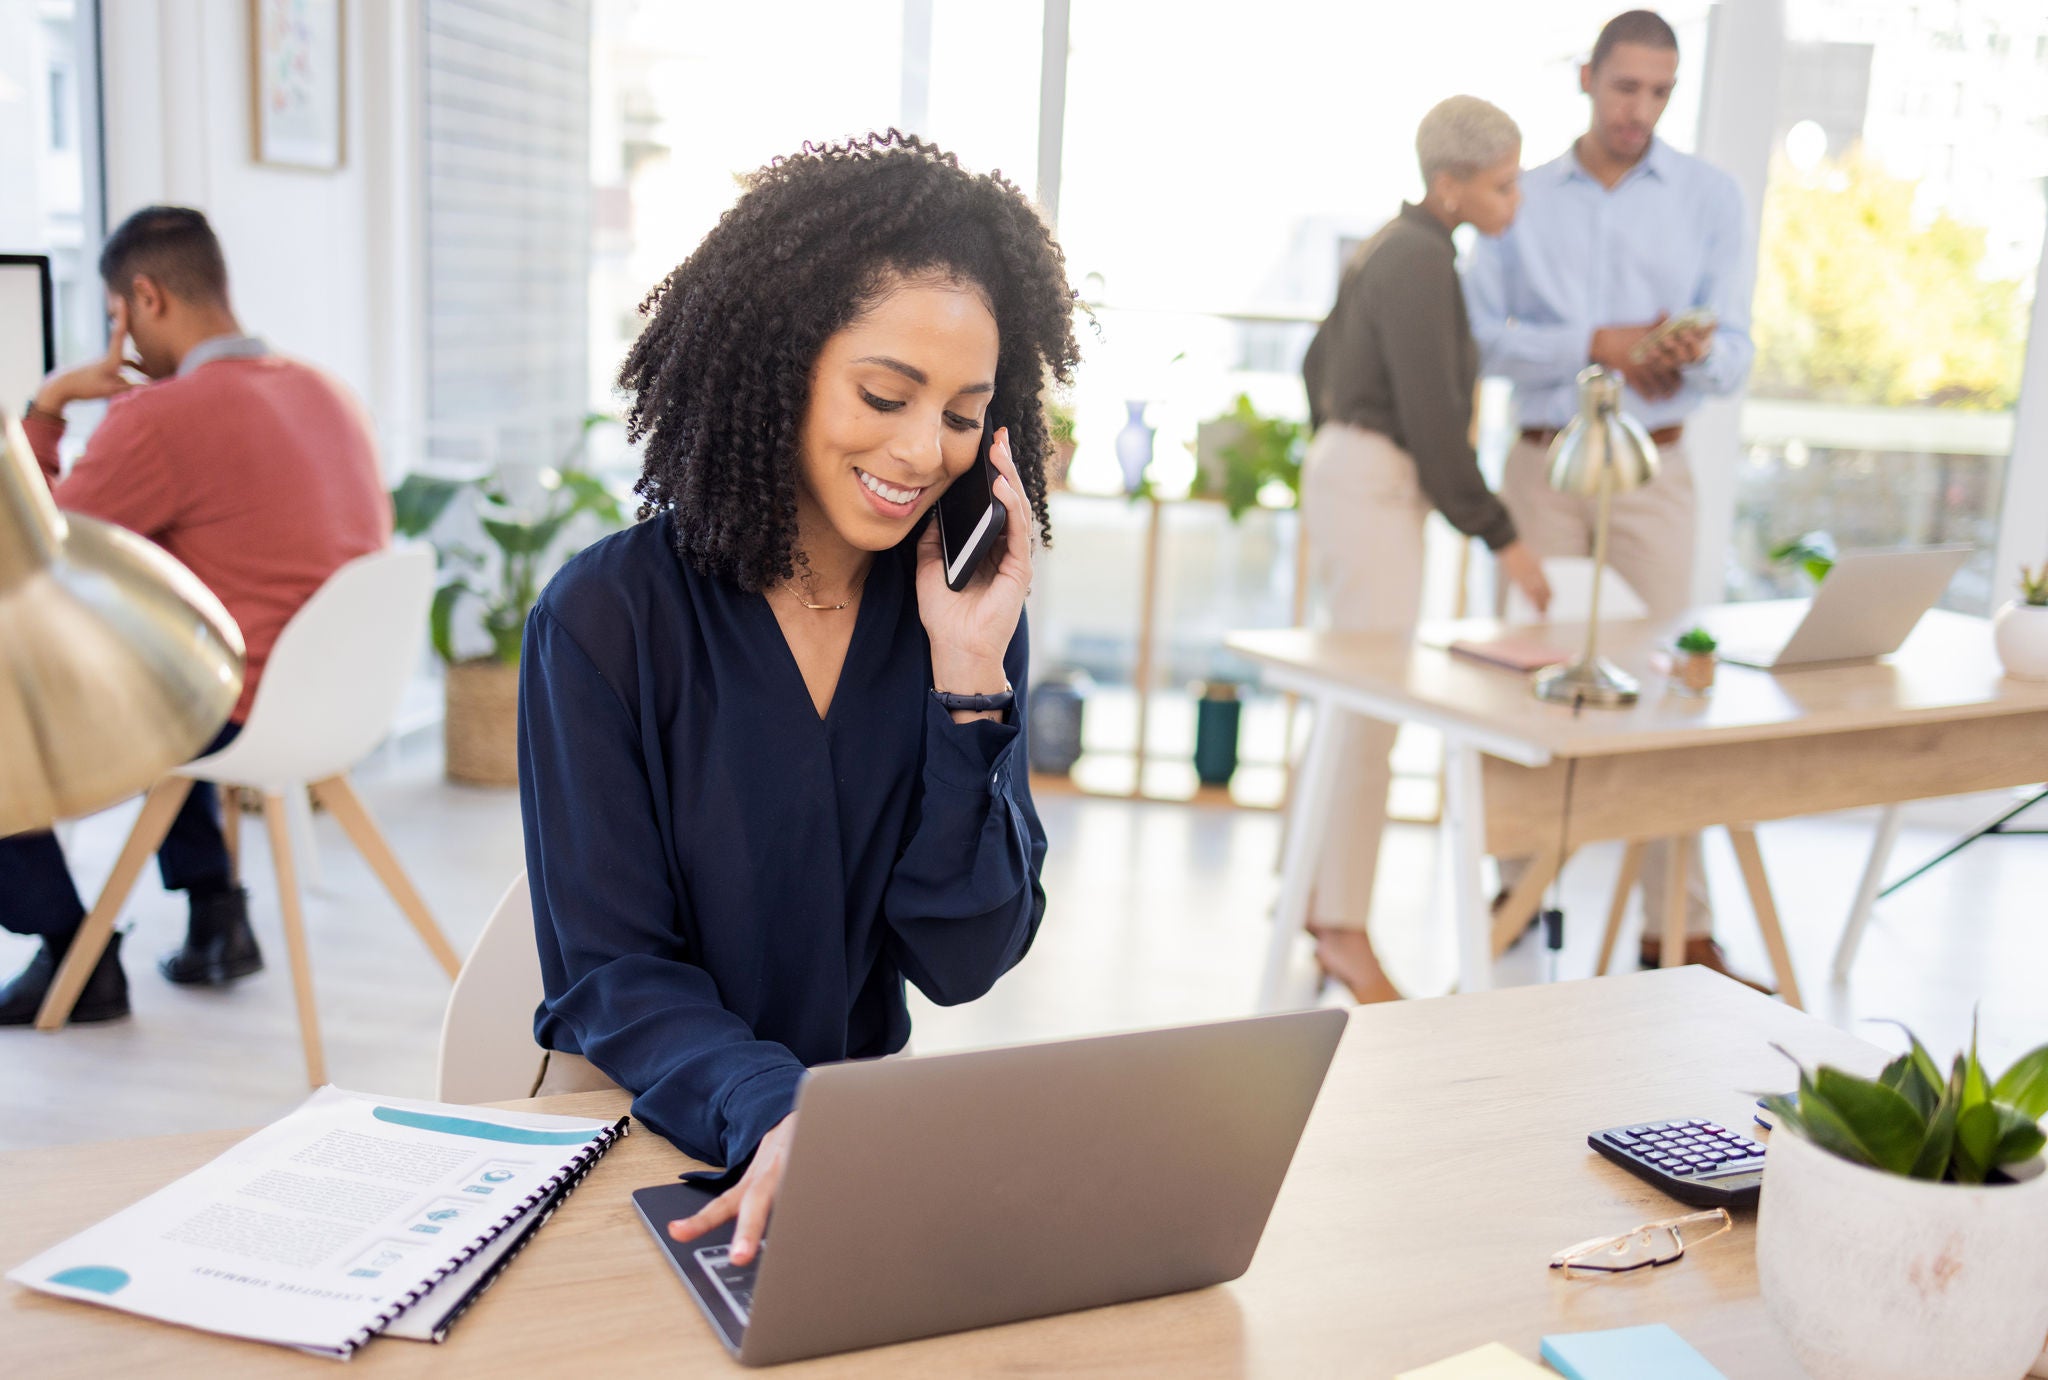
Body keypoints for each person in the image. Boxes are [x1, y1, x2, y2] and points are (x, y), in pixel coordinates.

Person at [519, 132, 1079, 1269]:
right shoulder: (605, 623)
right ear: (776, 363)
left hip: (853, 1169)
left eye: (965, 414)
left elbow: (964, 962)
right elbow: (613, 973)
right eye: (885, 393)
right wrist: (777, 1108)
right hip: (647, 1141)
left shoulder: (953, 620)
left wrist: (968, 679)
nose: (924, 450)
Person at [0, 206, 392, 1024]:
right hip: (336, 700)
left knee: (53, 709)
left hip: (231, 709)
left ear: (143, 298)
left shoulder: (157, 421)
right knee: (165, 666)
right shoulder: (328, 390)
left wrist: (48, 404)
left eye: (117, 318)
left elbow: (26, 560)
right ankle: (217, 915)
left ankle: (74, 952)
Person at [1462, 10, 1761, 984]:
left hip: (1653, 468)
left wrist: (1690, 354)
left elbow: (1735, 349)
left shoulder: (1708, 198)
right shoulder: (1522, 198)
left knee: (1677, 683)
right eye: (1624, 86)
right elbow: (1478, 338)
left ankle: (1676, 930)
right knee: (1520, 678)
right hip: (1545, 465)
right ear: (1588, 78)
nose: (1639, 108)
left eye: (1659, 92)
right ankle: (1511, 904)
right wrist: (1596, 344)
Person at [1297, 96, 1548, 1003]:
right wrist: (1504, 536)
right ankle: (1341, 928)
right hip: (1374, 480)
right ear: (1450, 185)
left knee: (1351, 702)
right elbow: (1437, 422)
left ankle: (1315, 904)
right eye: (1503, 184)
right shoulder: (1418, 262)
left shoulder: (1393, 247)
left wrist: (1346, 441)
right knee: (1369, 705)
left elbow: (1314, 368)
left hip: (1356, 472)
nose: (1515, 199)